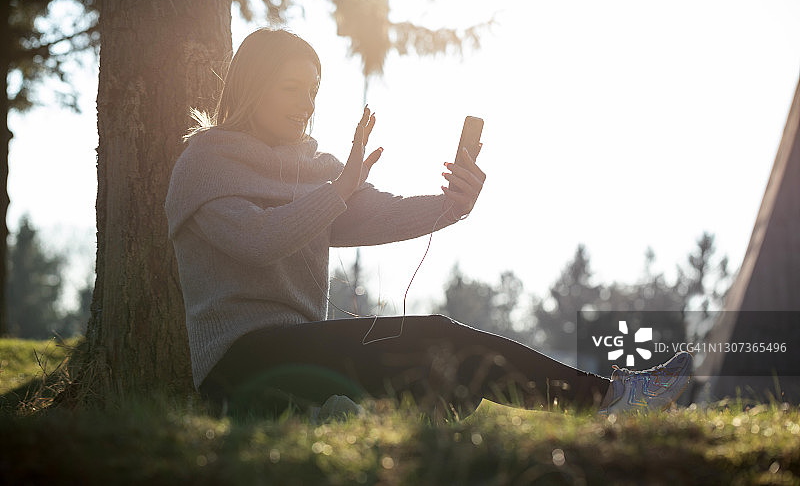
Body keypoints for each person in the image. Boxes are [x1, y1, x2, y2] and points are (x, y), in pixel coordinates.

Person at [165, 27, 692, 420]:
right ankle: (611, 400)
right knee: (431, 339)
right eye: (291, 88)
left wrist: (451, 206)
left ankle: (602, 403)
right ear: (253, 86)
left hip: (305, 351)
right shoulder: (206, 162)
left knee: (439, 355)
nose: (307, 105)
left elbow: (382, 213)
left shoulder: (318, 170)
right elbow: (258, 241)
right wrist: (341, 188)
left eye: (313, 91)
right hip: (237, 364)